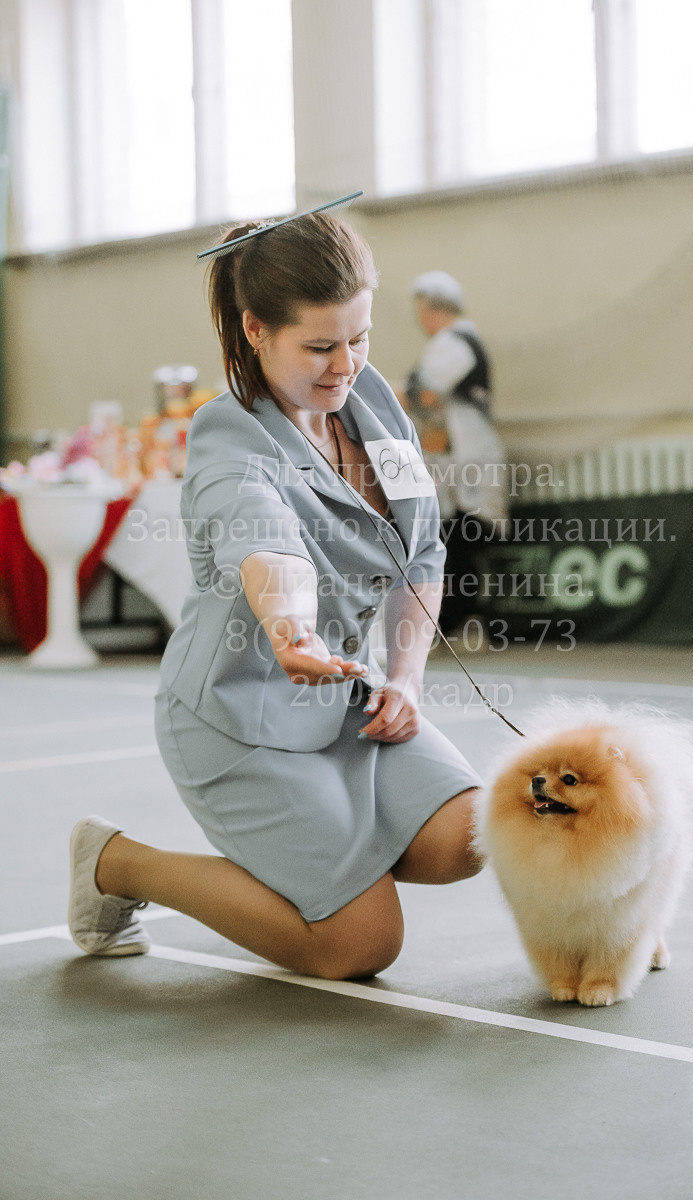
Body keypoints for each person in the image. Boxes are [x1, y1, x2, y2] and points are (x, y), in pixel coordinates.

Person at [67, 210, 483, 982]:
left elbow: (421, 548)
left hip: (346, 700)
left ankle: (322, 859)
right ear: (255, 330)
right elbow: (264, 540)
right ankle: (117, 864)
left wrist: (405, 677)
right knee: (358, 946)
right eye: (319, 347)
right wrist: (288, 628)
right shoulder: (230, 437)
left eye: (358, 338)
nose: (345, 364)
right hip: (238, 718)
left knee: (473, 837)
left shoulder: (372, 401)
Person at [401, 271, 508, 636]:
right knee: (456, 536)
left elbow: (425, 393)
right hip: (458, 457)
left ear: (431, 308)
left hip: (468, 459)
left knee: (460, 537)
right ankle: (458, 619)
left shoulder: (455, 340)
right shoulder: (462, 339)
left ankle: (461, 619)